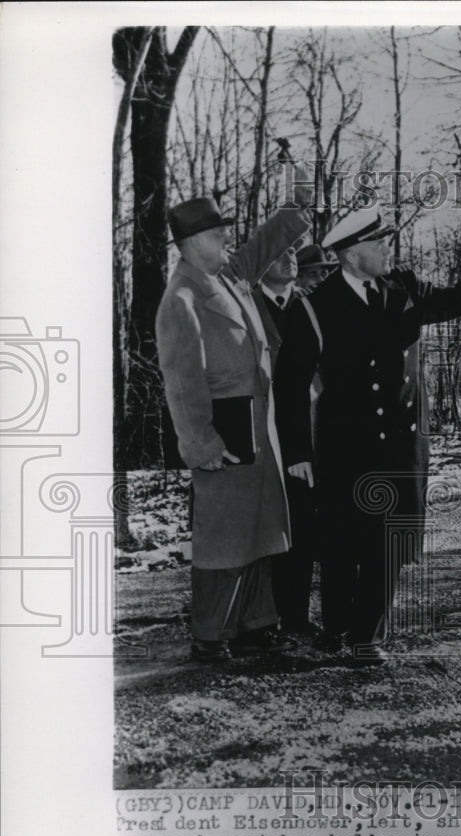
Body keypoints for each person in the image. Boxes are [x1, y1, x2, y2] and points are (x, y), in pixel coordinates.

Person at [275, 206, 461, 666]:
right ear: (350, 255)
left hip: (401, 444)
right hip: (345, 445)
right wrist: (297, 452)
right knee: (344, 543)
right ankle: (339, 626)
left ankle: (367, 635)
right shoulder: (313, 306)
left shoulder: (403, 290)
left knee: (388, 540)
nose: (388, 249)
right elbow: (290, 383)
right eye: (378, 243)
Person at [156, 194, 310, 664]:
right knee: (223, 535)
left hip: (256, 426)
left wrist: (296, 206)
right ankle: (211, 633)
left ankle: (256, 625)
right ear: (190, 242)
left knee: (259, 527)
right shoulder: (181, 298)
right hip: (223, 433)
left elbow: (262, 247)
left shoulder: (225, 276)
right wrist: (201, 443)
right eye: (217, 231)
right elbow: (182, 383)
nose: (227, 235)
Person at [250, 242, 320, 637]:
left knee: (302, 528)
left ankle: (294, 616)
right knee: (263, 527)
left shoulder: (307, 305)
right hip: (262, 436)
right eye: (280, 252)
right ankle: (261, 619)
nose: (290, 257)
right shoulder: (248, 307)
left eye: (294, 252)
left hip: (304, 437)